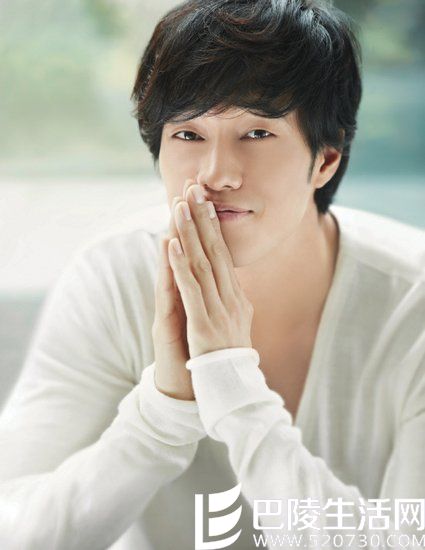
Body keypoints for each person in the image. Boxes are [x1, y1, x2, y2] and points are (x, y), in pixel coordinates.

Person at [1, 0, 424, 549]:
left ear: (325, 159)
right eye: (188, 135)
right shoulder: (115, 279)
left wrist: (233, 389)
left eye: (257, 134)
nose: (217, 173)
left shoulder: (412, 304)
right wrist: (162, 413)